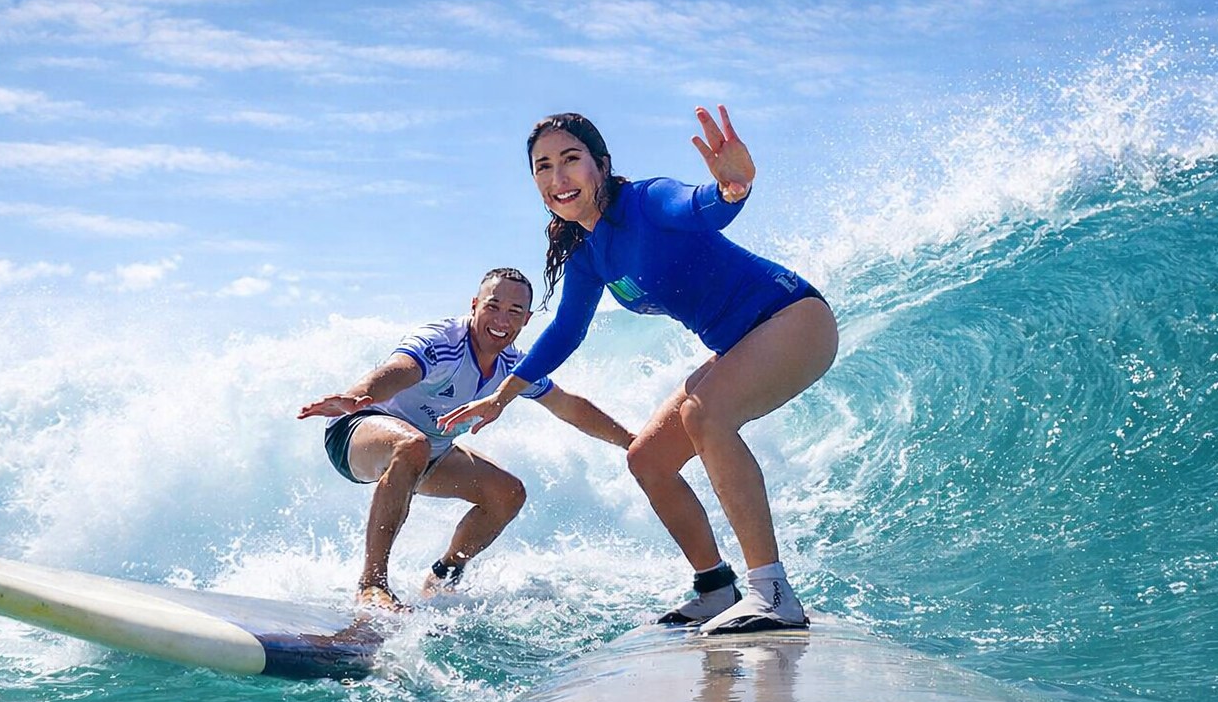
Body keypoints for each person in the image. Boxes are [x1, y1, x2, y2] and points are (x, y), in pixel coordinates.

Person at [439, 108, 838, 635]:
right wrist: (502, 396)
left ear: (601, 165)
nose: (558, 178)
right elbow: (565, 332)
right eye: (542, 167)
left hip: (792, 318)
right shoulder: (587, 253)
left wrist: (732, 186)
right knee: (647, 458)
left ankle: (773, 592)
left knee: (707, 416)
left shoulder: (647, 201)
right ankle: (715, 587)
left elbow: (702, 208)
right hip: (737, 344)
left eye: (571, 160)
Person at [299, 267, 633, 610]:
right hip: (358, 430)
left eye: (514, 312)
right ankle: (372, 584)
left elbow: (568, 406)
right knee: (412, 445)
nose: (502, 319)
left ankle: (443, 575)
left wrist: (630, 441)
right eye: (493, 306)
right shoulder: (443, 341)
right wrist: (360, 395)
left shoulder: (514, 367)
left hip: (430, 453)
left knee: (508, 493)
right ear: (474, 305)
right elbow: (400, 370)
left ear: (527, 320)